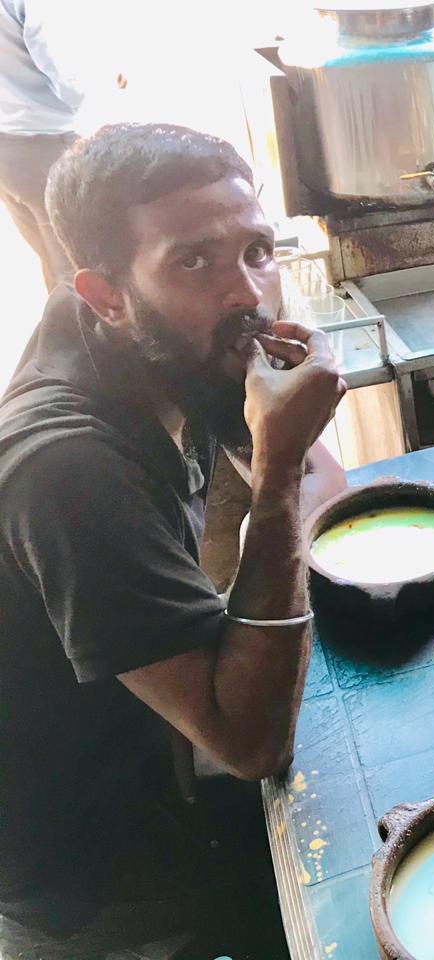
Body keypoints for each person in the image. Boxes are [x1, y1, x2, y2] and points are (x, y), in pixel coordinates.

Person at [0, 122, 348, 958]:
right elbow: (249, 742)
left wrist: (286, 442)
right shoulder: (68, 470)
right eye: (194, 261)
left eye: (257, 251)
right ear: (106, 295)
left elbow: (332, 492)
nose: (247, 294)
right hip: (92, 868)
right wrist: (276, 472)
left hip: (161, 746)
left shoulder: (149, 341)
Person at [0, 0, 86, 290]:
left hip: (7, 148)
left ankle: (60, 314)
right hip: (47, 142)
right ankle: (72, 319)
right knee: (76, 264)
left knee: (50, 257)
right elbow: (66, 74)